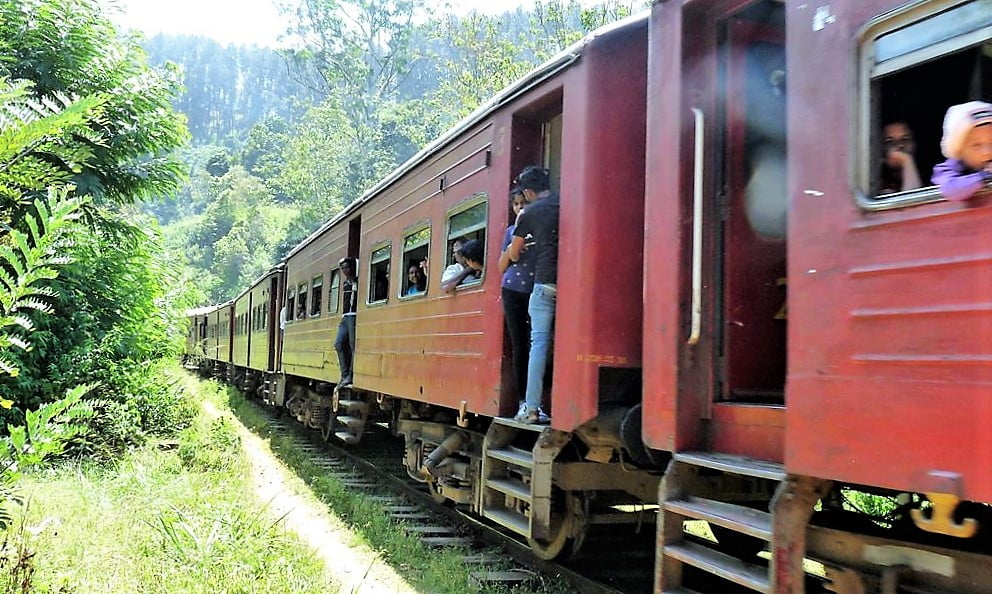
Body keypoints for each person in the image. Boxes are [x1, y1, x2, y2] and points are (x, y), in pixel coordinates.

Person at [506, 166, 558, 424]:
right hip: (571, 282)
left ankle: (532, 408)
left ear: (528, 192)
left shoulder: (530, 212)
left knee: (538, 342)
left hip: (545, 282)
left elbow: (513, 254)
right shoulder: (566, 203)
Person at [498, 187, 536, 412]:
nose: (520, 207)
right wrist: (514, 246)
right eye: (516, 204)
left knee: (541, 345)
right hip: (513, 291)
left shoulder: (541, 227)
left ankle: (539, 398)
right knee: (521, 345)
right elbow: (502, 266)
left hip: (538, 291)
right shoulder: (511, 231)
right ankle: (523, 400)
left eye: (524, 203)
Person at [932, 101, 992, 202]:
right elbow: (951, 190)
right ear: (959, 150)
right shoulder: (946, 169)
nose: (987, 151)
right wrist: (985, 176)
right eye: (976, 145)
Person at [878, 121, 923, 195]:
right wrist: (906, 161)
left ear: (915, 144)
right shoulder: (877, 184)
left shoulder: (933, 176)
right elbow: (910, 202)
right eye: (890, 141)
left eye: (905, 139)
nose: (899, 145)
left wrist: (907, 162)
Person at [334, 257, 358, 386]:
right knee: (338, 344)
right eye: (343, 268)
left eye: (347, 267)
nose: (345, 270)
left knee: (353, 345)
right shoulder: (345, 283)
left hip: (354, 315)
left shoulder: (357, 281)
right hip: (345, 316)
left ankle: (350, 375)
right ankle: (344, 375)